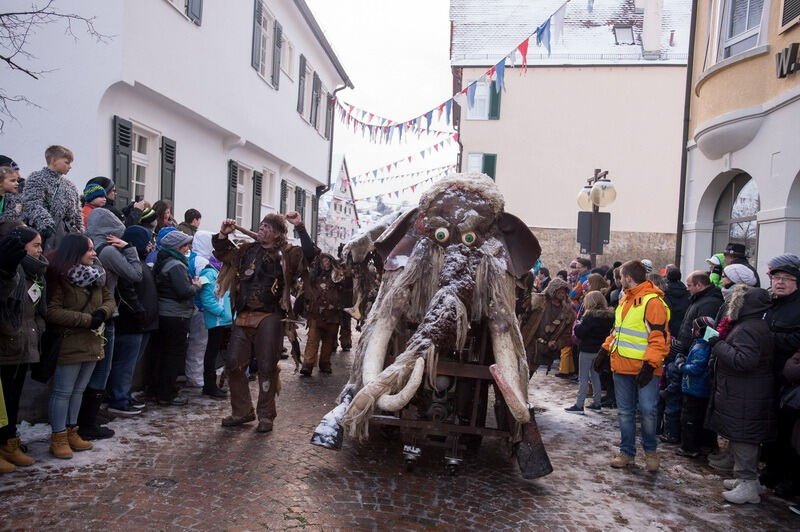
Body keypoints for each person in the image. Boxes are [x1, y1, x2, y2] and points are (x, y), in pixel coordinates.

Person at [212, 212, 313, 433]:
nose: (262, 228)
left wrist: (300, 227)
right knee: (233, 364)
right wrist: (222, 234)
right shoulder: (247, 251)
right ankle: (242, 411)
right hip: (244, 313)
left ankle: (266, 416)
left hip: (271, 316)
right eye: (261, 225)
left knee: (267, 367)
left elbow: (311, 255)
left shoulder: (289, 253)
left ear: (277, 233)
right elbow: (222, 253)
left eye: (268, 227)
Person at [45, 234, 115, 459]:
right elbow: (52, 311)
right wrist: (87, 320)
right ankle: (58, 436)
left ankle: (72, 430)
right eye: (89, 250)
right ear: (75, 251)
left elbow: (109, 299)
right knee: (63, 392)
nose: (94, 254)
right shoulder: (60, 277)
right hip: (70, 342)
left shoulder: (96, 276)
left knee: (78, 391)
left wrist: (102, 313)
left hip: (92, 341)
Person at [598, 260, 670, 472]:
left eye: (620, 277)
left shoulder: (652, 302)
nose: (617, 280)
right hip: (621, 366)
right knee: (625, 413)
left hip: (645, 370)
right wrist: (605, 349)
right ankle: (627, 452)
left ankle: (650, 452)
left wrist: (649, 365)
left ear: (628, 278)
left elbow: (659, 337)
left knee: (648, 411)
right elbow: (617, 331)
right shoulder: (625, 300)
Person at [79, 208, 143, 439]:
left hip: (93, 312)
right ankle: (88, 421)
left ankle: (90, 416)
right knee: (101, 369)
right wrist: (129, 248)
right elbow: (136, 274)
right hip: (106, 314)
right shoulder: (107, 251)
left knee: (94, 368)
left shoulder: (89, 247)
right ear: (111, 232)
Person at [707, 285, 774, 504]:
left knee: (744, 436)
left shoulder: (749, 328)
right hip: (744, 390)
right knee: (740, 434)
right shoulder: (752, 325)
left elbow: (743, 360)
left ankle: (747, 483)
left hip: (746, 392)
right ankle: (748, 480)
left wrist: (716, 344)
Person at [0, 225, 46, 472]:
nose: (40, 250)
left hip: (26, 340)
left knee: (13, 397)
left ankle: (9, 442)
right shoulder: (12, 270)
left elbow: (38, 308)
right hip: (9, 341)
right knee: (3, 400)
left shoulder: (36, 273)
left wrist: (38, 328)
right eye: (36, 245)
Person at [106, 225, 158, 415]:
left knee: (130, 364)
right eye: (148, 241)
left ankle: (124, 395)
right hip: (132, 322)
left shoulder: (140, 261)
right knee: (124, 364)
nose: (151, 245)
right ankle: (118, 399)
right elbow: (127, 291)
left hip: (142, 322)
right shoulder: (127, 263)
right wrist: (138, 311)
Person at [761, 254, 800, 498]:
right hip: (769, 375)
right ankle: (772, 470)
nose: (781, 282)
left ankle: (789, 479)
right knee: (772, 427)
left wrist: (769, 339)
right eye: (777, 277)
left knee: (789, 432)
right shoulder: (772, 303)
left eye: (787, 278)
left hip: (791, 379)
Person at [153, 230, 200, 406]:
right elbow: (184, 292)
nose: (188, 248)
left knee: (163, 354)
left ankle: (159, 390)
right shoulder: (176, 265)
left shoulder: (163, 261)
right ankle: (167, 394)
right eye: (186, 245)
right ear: (179, 247)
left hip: (166, 313)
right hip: (176, 315)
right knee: (173, 355)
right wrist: (196, 286)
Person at [22, 145, 83, 251]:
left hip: (69, 233)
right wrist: (46, 224)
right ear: (54, 160)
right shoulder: (36, 178)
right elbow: (33, 203)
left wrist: (80, 230)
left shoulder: (70, 185)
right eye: (67, 162)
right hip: (47, 232)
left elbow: (77, 212)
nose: (70, 167)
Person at [674, 316, 718, 458]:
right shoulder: (702, 345)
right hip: (697, 389)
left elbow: (695, 369)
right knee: (696, 418)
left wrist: (681, 365)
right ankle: (698, 445)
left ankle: (690, 447)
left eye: (695, 328)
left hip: (694, 389)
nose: (692, 330)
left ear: (701, 331)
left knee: (689, 419)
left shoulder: (702, 348)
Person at [565, 291, 613, 413]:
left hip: (587, 350)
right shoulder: (609, 317)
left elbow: (580, 332)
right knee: (596, 376)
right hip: (600, 351)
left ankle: (579, 405)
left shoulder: (589, 316)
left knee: (583, 378)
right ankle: (597, 402)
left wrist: (576, 326)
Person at [301, 254, 347, 376]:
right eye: (323, 261)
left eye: (328, 260)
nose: (326, 263)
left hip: (333, 314)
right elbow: (306, 291)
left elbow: (344, 290)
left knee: (329, 340)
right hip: (316, 313)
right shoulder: (313, 277)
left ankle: (325, 364)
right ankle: (308, 365)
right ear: (320, 263)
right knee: (313, 339)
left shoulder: (337, 276)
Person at [519, 277, 575, 376]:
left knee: (529, 373)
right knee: (522, 370)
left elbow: (566, 335)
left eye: (564, 292)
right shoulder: (538, 301)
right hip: (529, 341)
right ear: (552, 290)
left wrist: (557, 343)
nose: (562, 294)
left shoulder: (567, 312)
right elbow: (522, 315)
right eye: (559, 292)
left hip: (544, 348)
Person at [197, 250, 231, 399]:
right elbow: (207, 299)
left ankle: (212, 385)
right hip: (216, 319)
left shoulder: (221, 271)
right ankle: (209, 386)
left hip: (223, 320)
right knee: (211, 353)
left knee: (216, 352)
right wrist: (222, 313)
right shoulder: (209, 273)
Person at [185, 231, 214, 388]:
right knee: (198, 344)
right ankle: (195, 377)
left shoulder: (190, 257)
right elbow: (205, 282)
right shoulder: (202, 261)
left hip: (190, 305)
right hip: (200, 306)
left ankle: (192, 374)